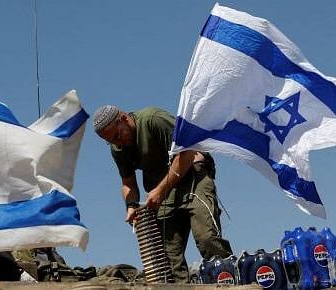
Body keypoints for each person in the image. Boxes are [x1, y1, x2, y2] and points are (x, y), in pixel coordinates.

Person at [93, 105, 232, 283]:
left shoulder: (154, 119)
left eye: (117, 136)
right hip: (163, 192)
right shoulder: (118, 148)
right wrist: (131, 206)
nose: (117, 143)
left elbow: (187, 153)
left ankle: (228, 280)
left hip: (192, 178)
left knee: (207, 239)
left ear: (123, 118)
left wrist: (159, 191)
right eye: (110, 141)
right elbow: (128, 182)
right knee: (167, 260)